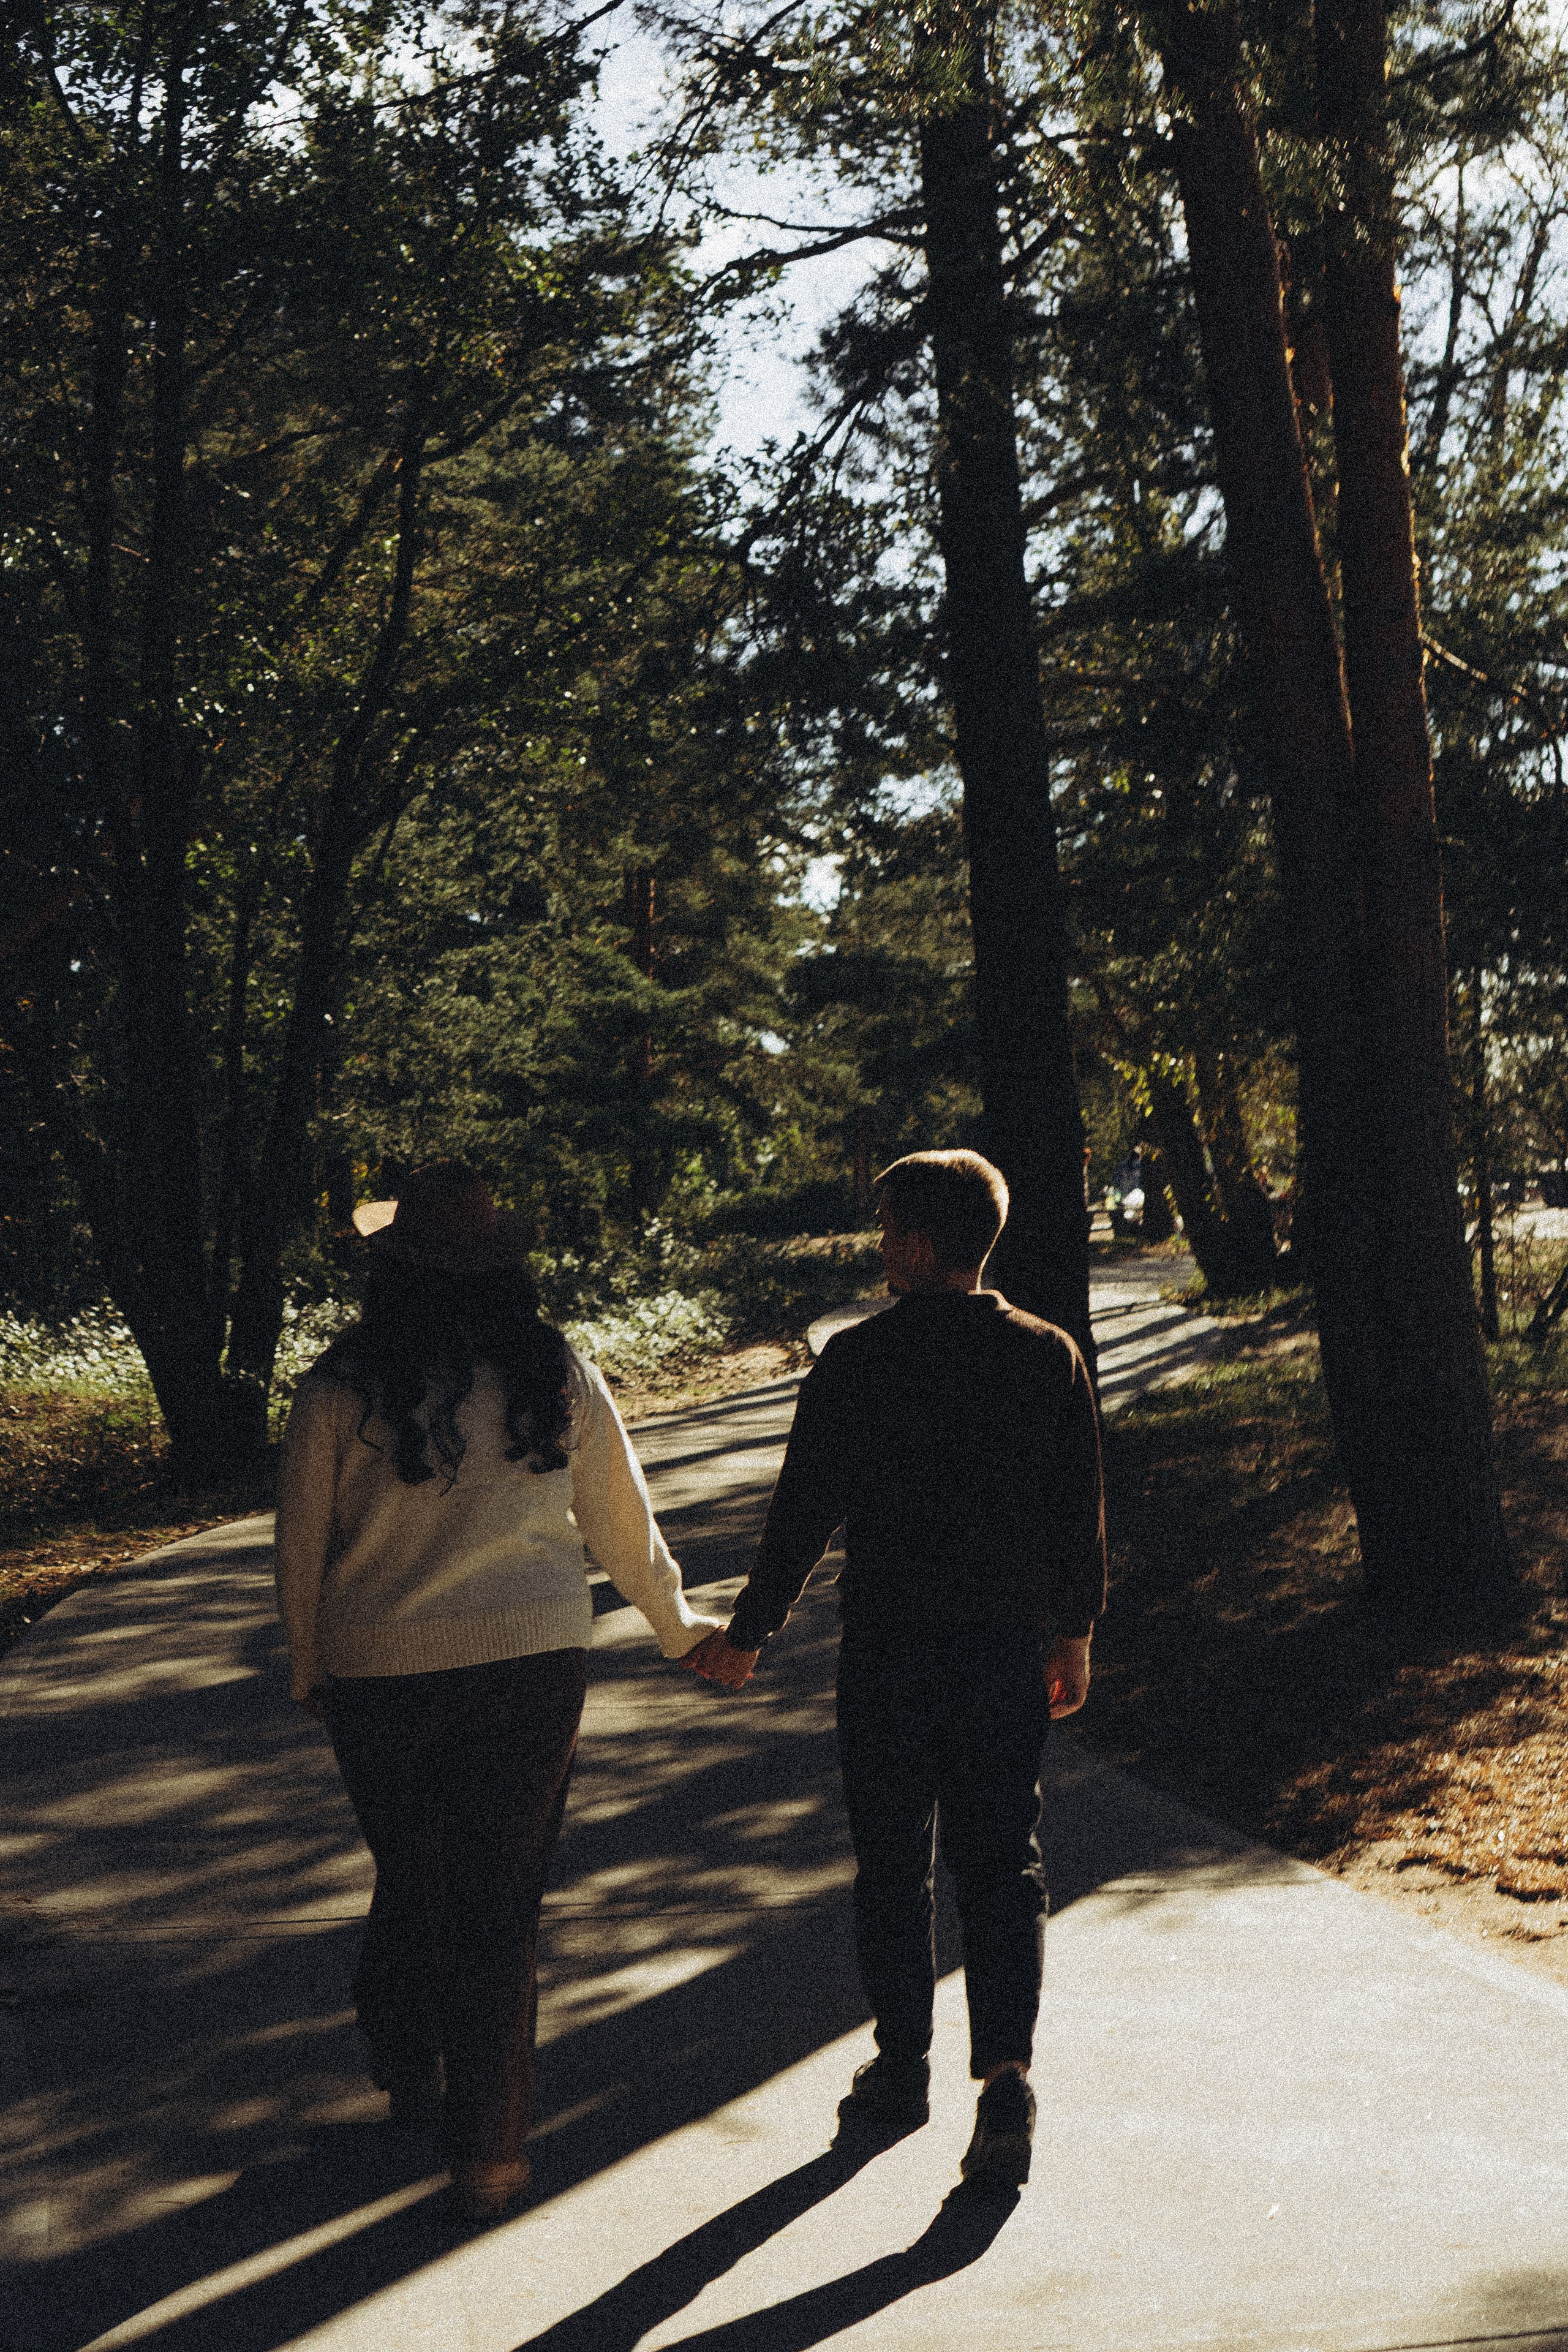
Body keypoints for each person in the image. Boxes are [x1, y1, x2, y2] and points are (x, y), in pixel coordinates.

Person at [274, 1165, 723, 2222]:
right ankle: (491, 2152)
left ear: (390, 1270)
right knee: (496, 1900)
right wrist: (676, 1626)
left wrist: (310, 1670)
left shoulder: (340, 1387)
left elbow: (301, 1549)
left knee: (417, 1872)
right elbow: (619, 1516)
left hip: (381, 1673)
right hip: (533, 1667)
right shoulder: (552, 1369)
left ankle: (408, 2063)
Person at [684, 1148, 1106, 2188]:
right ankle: (1005, 2079)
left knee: (893, 1860)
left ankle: (901, 2064)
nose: (879, 1252)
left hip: (890, 1652)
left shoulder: (859, 1361)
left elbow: (803, 1511)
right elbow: (1074, 1506)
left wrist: (751, 1631)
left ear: (917, 1246)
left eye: (884, 1234)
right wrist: (1075, 1630)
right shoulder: (1044, 1353)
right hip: (1002, 1648)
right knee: (1003, 1859)